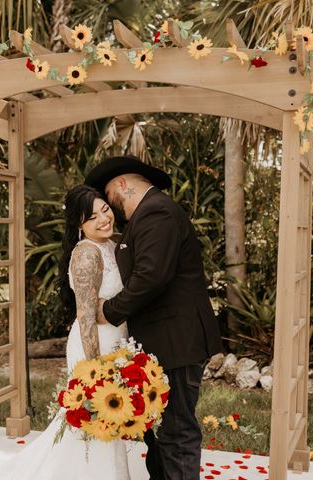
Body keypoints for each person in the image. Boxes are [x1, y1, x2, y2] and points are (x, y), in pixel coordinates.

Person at [85, 155, 224, 480]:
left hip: (176, 343)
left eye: (109, 197)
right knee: (159, 433)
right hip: (165, 344)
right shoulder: (147, 216)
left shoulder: (156, 211)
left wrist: (107, 310)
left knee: (175, 434)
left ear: (122, 184)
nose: (110, 207)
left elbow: (150, 277)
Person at [4, 184, 131, 479]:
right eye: (93, 217)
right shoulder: (87, 254)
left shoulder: (113, 243)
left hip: (118, 342)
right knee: (92, 416)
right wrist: (95, 370)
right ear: (79, 224)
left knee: (110, 419)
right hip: (94, 347)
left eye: (105, 210)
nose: (104, 219)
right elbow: (86, 315)